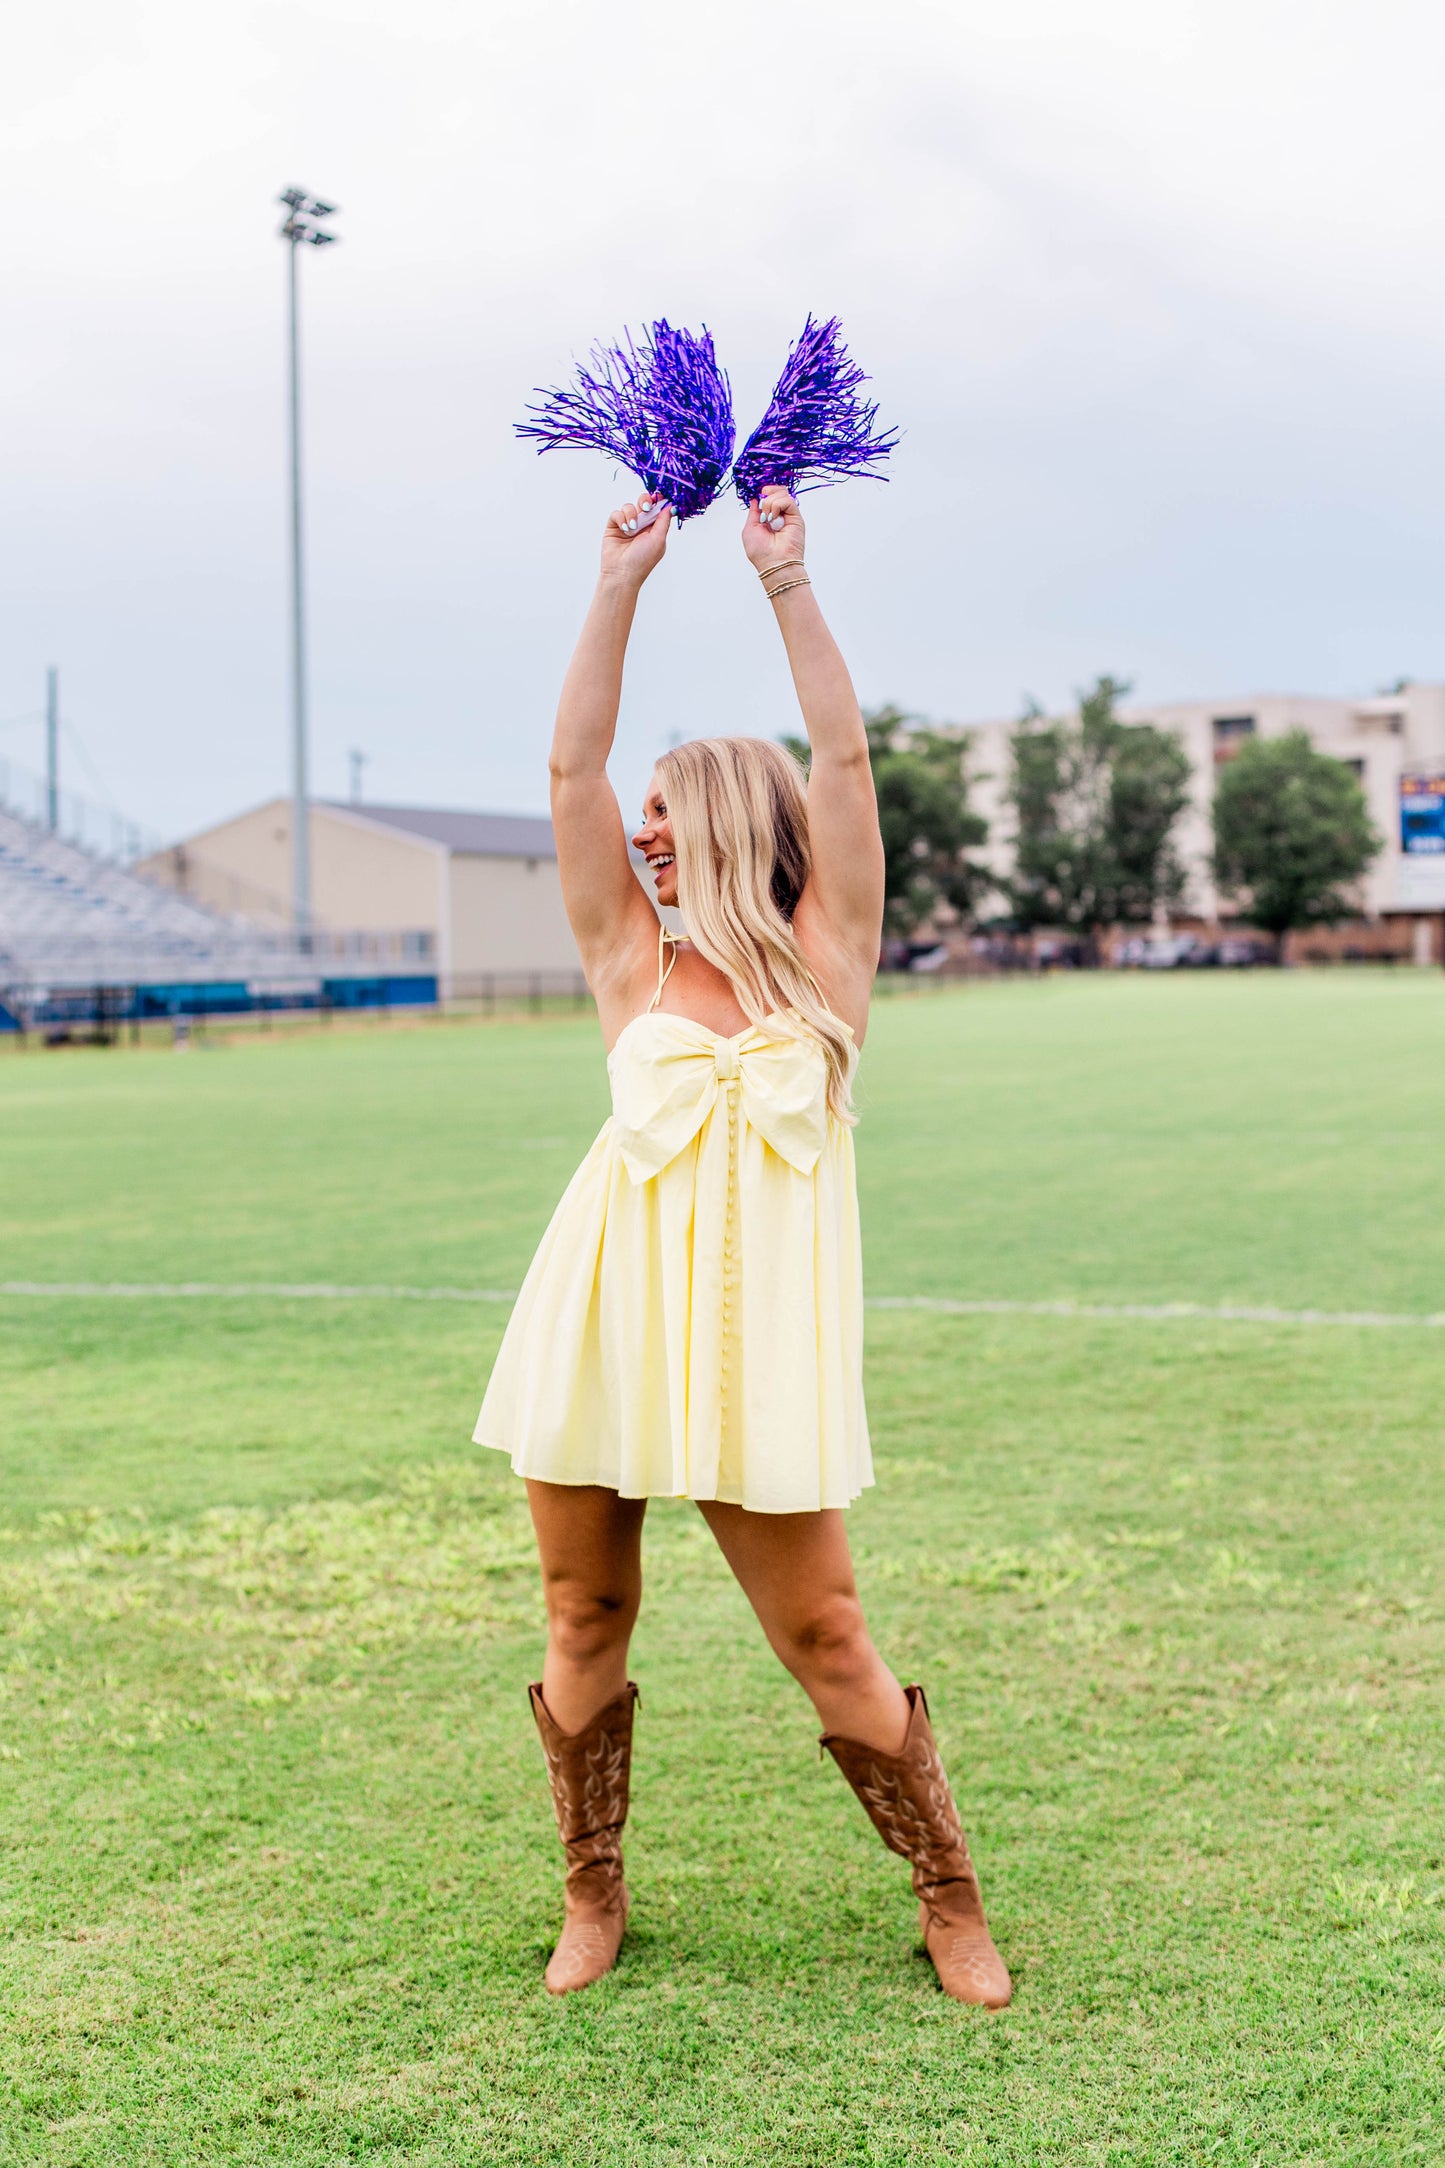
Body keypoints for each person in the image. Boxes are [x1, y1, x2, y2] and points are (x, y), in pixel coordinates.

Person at [474, 483, 1010, 2009]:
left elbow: (841, 761)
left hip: (755, 1354)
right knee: (582, 1614)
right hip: (598, 1322)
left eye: (667, 809)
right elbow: (568, 768)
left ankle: (949, 1894)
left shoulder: (828, 961)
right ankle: (591, 1891)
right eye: (639, 814)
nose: (640, 829)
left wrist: (785, 580)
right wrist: (617, 584)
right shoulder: (624, 960)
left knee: (827, 1631)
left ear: (731, 821)